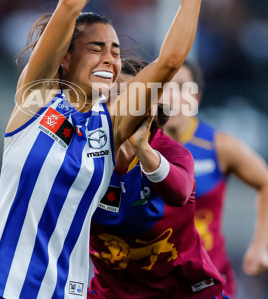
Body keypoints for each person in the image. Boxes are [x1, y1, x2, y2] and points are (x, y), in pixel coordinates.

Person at [0, 0, 209, 299]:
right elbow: (71, 2)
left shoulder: (110, 127)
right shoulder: (35, 100)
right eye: (96, 48)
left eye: (116, 51)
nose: (110, 58)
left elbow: (170, 62)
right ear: (66, 58)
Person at [89, 59, 227, 299]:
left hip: (185, 293)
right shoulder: (85, 154)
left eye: (134, 97)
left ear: (150, 108)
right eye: (115, 95)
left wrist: (142, 147)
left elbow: (179, 192)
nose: (122, 104)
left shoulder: (175, 153)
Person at [163, 61, 268, 298]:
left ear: (196, 97)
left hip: (209, 280)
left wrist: (261, 245)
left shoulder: (218, 146)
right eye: (162, 88)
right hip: (157, 280)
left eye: (179, 88)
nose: (170, 97)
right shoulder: (139, 147)